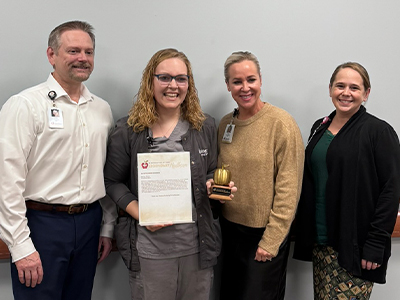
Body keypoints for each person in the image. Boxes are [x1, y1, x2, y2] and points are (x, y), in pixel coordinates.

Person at [0, 21, 116, 300]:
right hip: (41, 226)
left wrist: (107, 226)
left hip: (89, 223)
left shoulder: (101, 109)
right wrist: (21, 246)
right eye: (73, 50)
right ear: (52, 55)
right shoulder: (25, 104)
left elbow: (107, 172)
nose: (82, 59)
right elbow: (7, 178)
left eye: (89, 52)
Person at [104, 48, 232, 300]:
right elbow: (112, 181)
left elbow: (210, 171)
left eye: (181, 78)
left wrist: (212, 186)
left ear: (188, 84)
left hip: (197, 247)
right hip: (150, 249)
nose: (173, 85)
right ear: (150, 81)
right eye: (165, 77)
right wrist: (140, 212)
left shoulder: (204, 126)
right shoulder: (129, 130)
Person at [293, 62, 400, 299]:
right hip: (322, 244)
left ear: (366, 94)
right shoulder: (319, 127)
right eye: (340, 86)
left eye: (354, 87)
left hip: (356, 247)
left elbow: (391, 192)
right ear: (330, 88)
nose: (346, 93)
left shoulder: (378, 132)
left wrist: (375, 245)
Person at [216, 51, 304, 300]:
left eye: (251, 80)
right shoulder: (225, 124)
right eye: (237, 81)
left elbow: (289, 188)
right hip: (229, 232)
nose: (245, 88)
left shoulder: (281, 124)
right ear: (228, 86)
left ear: (260, 81)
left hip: (263, 235)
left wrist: (272, 240)